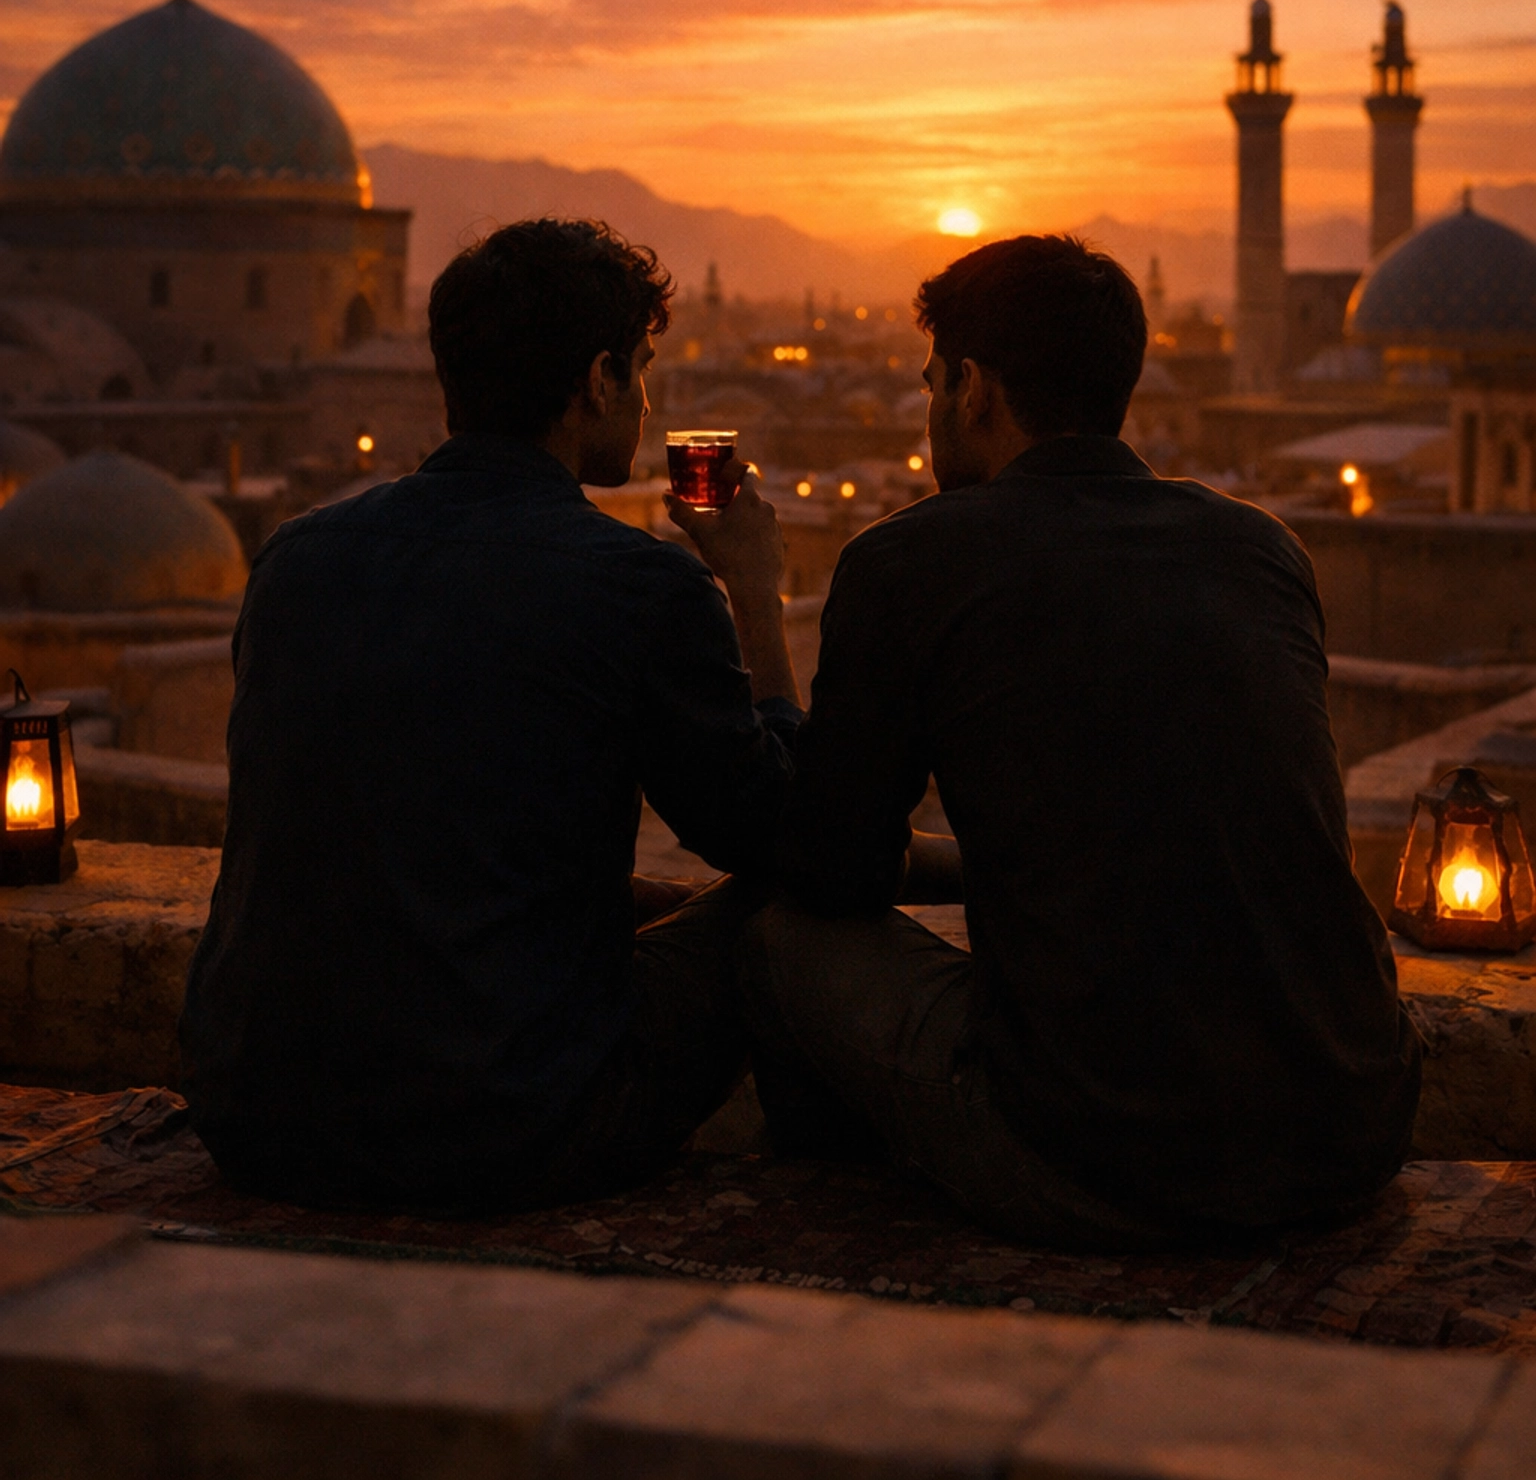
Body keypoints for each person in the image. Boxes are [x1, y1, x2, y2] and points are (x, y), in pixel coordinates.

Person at [740, 235, 1420, 1250]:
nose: (929, 410)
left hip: (1102, 1157)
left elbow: (829, 873)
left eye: (932, 382)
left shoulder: (912, 559)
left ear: (973, 389)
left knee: (781, 937)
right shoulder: (1259, 547)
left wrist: (755, 605)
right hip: (1352, 1128)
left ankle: (825, 1234)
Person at [180, 218, 801, 1213]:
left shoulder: (297, 558)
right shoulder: (637, 585)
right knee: (780, 921)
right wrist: (757, 595)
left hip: (255, 1117)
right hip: (504, 1127)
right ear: (598, 379)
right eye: (640, 371)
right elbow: (778, 837)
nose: (645, 401)